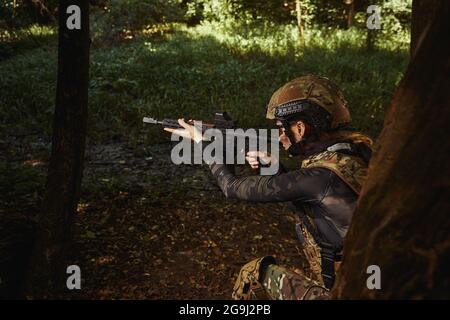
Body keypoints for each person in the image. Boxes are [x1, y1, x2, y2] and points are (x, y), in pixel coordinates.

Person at [164, 74, 373, 300]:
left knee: (253, 274)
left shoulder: (317, 177)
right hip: (377, 283)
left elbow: (231, 187)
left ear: (300, 128)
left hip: (351, 292)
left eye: (281, 129)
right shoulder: (356, 153)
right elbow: (317, 198)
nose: (281, 137)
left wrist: (202, 143)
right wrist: (274, 168)